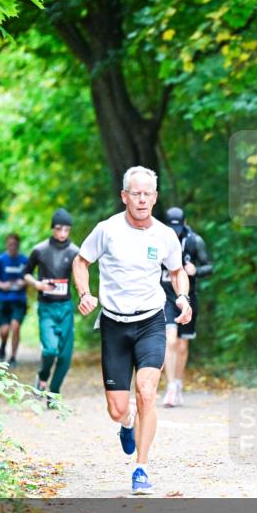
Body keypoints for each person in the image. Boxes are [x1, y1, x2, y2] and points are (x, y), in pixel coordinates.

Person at [72, 166, 191, 495]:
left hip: (151, 320)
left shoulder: (165, 235)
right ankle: (126, 425)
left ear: (155, 197)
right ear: (124, 196)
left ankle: (142, 468)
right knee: (118, 409)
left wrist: (182, 297)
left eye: (147, 194)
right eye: (135, 193)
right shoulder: (107, 230)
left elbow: (178, 271)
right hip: (114, 324)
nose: (141, 199)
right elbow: (81, 262)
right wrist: (85, 294)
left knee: (148, 392)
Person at [23, 210, 80, 401]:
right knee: (50, 350)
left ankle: (53, 392)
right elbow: (26, 273)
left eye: (66, 229)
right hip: (46, 306)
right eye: (59, 229)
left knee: (65, 356)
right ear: (52, 228)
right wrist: (37, 284)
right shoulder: (40, 250)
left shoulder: (75, 251)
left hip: (65, 307)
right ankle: (42, 376)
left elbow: (82, 275)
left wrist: (84, 294)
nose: (63, 233)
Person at [160, 206, 212, 407]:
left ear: (185, 223)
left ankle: (179, 383)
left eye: (179, 227)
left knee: (182, 345)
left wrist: (196, 270)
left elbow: (209, 266)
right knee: (170, 340)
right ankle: (170, 386)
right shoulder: (158, 240)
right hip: (165, 298)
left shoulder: (194, 241)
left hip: (188, 298)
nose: (175, 231)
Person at [0, 233, 28, 367]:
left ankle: (13, 357)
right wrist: (1, 284)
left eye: (15, 244)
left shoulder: (24, 260)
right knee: (4, 331)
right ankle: (3, 344)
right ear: (7, 244)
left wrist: (24, 282)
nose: (12, 246)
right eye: (10, 244)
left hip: (19, 298)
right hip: (2, 298)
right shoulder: (0, 259)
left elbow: (29, 276)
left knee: (16, 327)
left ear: (18, 245)